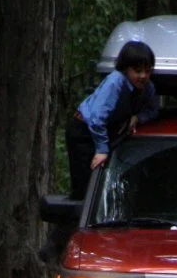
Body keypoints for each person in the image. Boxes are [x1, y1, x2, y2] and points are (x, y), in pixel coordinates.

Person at [66, 39, 160, 197]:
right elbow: (97, 118)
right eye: (137, 71)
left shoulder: (148, 88)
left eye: (147, 71)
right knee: (86, 186)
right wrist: (102, 149)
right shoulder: (115, 82)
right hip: (84, 131)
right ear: (126, 69)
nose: (143, 76)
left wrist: (137, 118)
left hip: (108, 132)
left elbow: (153, 110)